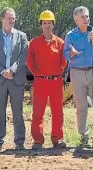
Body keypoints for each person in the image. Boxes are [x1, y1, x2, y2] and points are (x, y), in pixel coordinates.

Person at [63, 6, 93, 147]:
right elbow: (65, 54)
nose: (86, 19)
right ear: (76, 20)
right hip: (77, 73)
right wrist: (71, 53)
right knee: (81, 107)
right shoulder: (70, 35)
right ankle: (84, 136)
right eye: (83, 17)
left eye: (87, 16)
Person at [0, 8, 29, 153]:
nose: (12, 21)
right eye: (9, 18)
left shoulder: (22, 36)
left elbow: (23, 56)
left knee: (18, 111)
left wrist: (12, 70)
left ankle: (19, 142)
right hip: (0, 80)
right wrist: (2, 71)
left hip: (16, 79)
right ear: (2, 19)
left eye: (13, 18)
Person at [26, 10, 67, 150]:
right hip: (40, 82)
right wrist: (38, 74)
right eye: (44, 23)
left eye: (49, 23)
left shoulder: (60, 43)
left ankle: (58, 138)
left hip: (56, 81)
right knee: (38, 112)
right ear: (41, 25)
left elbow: (64, 61)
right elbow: (29, 62)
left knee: (57, 111)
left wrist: (58, 72)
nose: (47, 26)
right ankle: (37, 140)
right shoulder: (34, 43)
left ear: (53, 25)